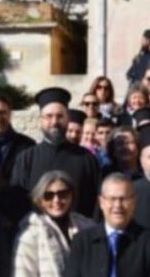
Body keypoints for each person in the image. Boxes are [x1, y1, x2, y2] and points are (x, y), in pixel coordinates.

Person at [11, 87, 101, 218]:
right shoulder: (26, 159)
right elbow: (16, 202)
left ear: (68, 118)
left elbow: (97, 203)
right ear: (40, 120)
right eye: (49, 116)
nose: (54, 122)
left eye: (60, 116)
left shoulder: (86, 158)